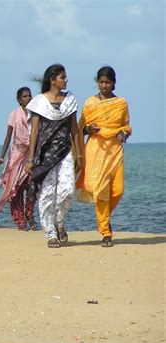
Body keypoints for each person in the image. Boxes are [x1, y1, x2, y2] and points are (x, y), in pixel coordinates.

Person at [24, 64, 83, 248]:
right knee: (47, 193)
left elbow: (74, 128)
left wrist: (79, 154)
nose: (66, 80)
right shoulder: (39, 102)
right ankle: (50, 233)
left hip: (65, 151)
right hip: (45, 155)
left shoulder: (69, 100)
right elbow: (34, 132)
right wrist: (30, 159)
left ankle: (59, 222)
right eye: (62, 77)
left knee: (67, 191)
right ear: (52, 80)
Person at [76, 66, 132, 247]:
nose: (104, 85)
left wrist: (124, 134)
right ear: (97, 82)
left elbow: (126, 126)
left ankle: (105, 217)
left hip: (115, 149)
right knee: (99, 191)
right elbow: (79, 128)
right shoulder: (90, 103)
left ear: (114, 83)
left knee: (118, 190)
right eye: (101, 82)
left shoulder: (121, 103)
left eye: (107, 82)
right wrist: (88, 129)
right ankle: (105, 233)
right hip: (95, 148)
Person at [0, 87, 37, 231]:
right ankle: (19, 219)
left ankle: (30, 214)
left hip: (31, 154)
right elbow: (8, 135)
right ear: (19, 100)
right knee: (15, 189)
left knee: (32, 186)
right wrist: (1, 156)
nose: (28, 98)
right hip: (17, 154)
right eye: (25, 96)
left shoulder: (36, 114)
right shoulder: (14, 114)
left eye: (30, 96)